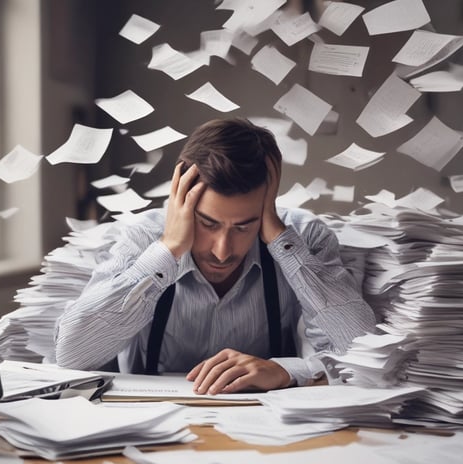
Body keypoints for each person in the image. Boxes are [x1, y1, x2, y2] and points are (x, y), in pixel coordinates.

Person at [55, 118, 376, 394]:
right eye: (208, 223)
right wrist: (167, 251)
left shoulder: (304, 239)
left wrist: (285, 372)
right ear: (181, 197)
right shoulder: (144, 237)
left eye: (243, 226)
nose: (223, 251)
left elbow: (362, 356)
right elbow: (72, 354)